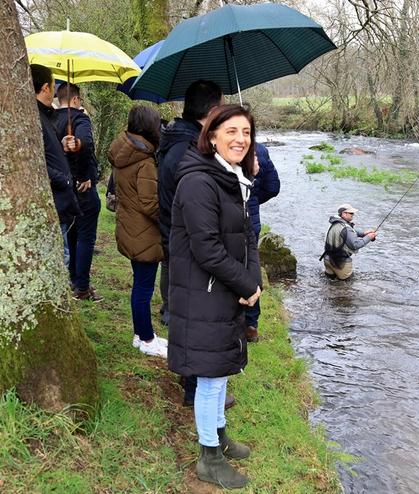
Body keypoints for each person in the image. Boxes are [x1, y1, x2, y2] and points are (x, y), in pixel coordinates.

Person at [169, 104, 262, 489]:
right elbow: (206, 248)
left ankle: (219, 435)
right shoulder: (198, 182)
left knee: (221, 367)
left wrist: (253, 280)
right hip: (203, 292)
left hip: (223, 289)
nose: (240, 139)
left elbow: (247, 239)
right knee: (209, 377)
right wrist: (244, 285)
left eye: (246, 132)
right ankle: (209, 457)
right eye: (231, 132)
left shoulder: (232, 177)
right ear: (211, 136)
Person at [156, 80, 232, 408]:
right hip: (189, 245)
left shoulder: (178, 140)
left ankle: (194, 383)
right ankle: (194, 388)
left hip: (179, 240)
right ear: (211, 111)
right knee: (195, 319)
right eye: (223, 106)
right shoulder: (186, 149)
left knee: (186, 315)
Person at [108, 106, 167, 358]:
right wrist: (170, 218)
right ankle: (145, 338)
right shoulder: (144, 160)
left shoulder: (124, 153)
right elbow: (150, 203)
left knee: (139, 284)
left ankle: (140, 332)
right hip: (143, 233)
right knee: (144, 287)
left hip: (129, 227)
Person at [54, 82, 103, 302]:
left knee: (72, 234)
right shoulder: (79, 119)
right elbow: (86, 143)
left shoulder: (50, 119)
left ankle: (74, 278)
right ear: (75, 99)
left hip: (62, 186)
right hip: (82, 186)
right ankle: (81, 286)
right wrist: (85, 175)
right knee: (85, 236)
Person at [30, 64, 81, 268]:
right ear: (45, 88)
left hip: (59, 198)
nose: (54, 90)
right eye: (52, 85)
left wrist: (62, 145)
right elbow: (35, 161)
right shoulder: (35, 117)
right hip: (53, 198)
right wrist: (64, 179)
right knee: (60, 258)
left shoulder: (47, 116)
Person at [244, 142, 280, 342]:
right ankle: (251, 324)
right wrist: (255, 198)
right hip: (251, 219)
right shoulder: (260, 150)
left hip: (227, 216)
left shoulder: (217, 145)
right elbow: (273, 187)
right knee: (250, 267)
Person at [320, 203, 377, 280]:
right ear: (344, 214)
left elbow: (349, 232)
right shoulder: (346, 228)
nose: (353, 215)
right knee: (348, 286)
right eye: (351, 213)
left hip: (328, 260)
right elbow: (355, 244)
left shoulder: (335, 223)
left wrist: (364, 233)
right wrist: (369, 237)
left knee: (329, 282)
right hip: (341, 263)